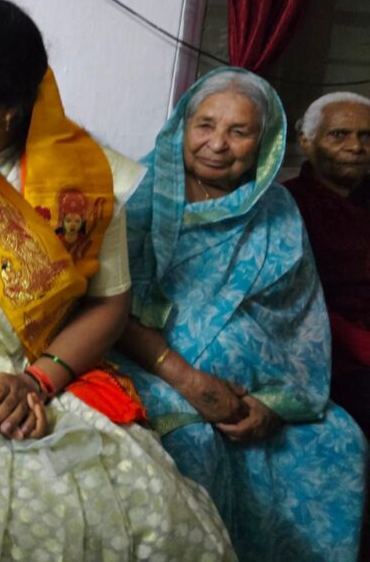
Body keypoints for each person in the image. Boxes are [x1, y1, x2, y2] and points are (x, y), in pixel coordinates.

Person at [0, 0, 234, 561]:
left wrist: (36, 381)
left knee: (159, 512)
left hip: (53, 373)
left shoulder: (81, 177)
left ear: (8, 108)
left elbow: (109, 304)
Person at [113, 68, 367, 561]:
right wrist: (191, 382)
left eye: (239, 131)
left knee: (342, 441)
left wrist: (274, 403)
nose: (217, 144)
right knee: (191, 441)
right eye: (205, 125)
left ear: (265, 141)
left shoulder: (277, 209)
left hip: (259, 388)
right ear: (182, 126)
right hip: (151, 367)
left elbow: (299, 315)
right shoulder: (136, 192)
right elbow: (107, 305)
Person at [284, 92, 370, 434]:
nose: (356, 146)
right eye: (339, 134)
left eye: (366, 136)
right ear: (306, 141)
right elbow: (291, 299)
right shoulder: (285, 204)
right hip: (325, 350)